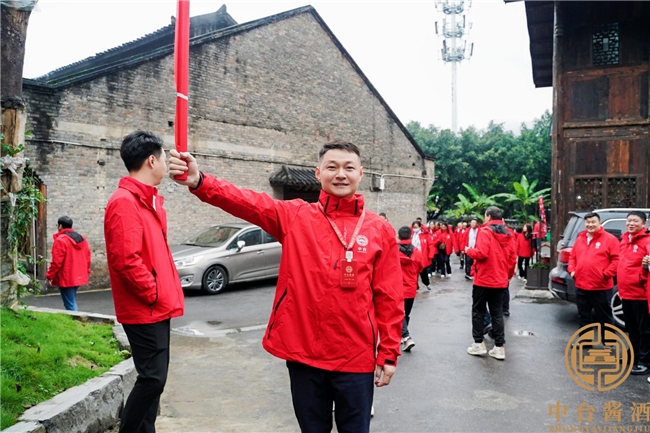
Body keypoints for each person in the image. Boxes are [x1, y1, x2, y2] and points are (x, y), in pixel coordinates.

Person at [168, 140, 403, 433]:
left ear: (361, 173)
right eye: (332, 167)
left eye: (348, 167)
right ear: (318, 174)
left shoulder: (379, 229)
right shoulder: (296, 216)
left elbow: (390, 296)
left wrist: (389, 352)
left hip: (355, 357)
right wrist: (200, 181)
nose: (340, 174)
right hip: (304, 352)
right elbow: (246, 201)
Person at [104, 131, 185, 433]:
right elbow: (126, 259)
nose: (166, 163)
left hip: (157, 306)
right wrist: (152, 293)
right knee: (152, 379)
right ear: (152, 160)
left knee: (155, 381)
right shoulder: (125, 202)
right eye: (164, 157)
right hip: (145, 308)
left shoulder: (146, 201)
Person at [465, 206, 516, 360]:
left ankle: (478, 344)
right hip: (500, 280)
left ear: (487, 216)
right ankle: (499, 347)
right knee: (497, 313)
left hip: (484, 279)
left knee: (478, 311)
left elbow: (481, 253)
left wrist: (468, 250)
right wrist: (507, 276)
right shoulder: (509, 234)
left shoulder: (485, 231)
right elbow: (512, 258)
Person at [567, 212, 619, 343]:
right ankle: (585, 340)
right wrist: (572, 271)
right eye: (588, 222)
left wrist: (606, 274)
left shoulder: (610, 239)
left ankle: (608, 342)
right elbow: (572, 257)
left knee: (604, 316)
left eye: (593, 222)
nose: (590, 225)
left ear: (599, 223)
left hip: (601, 286)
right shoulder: (580, 239)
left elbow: (616, 259)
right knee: (583, 315)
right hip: (581, 284)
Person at [617, 211, 650, 375]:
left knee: (645, 330)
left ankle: (645, 361)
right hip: (626, 293)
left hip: (642, 294)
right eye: (629, 221)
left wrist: (645, 267)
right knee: (631, 328)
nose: (630, 224)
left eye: (635, 221)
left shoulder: (647, 241)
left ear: (644, 224)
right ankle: (634, 357)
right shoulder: (624, 241)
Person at [45, 216, 91, 311]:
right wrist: (87, 271)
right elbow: (87, 257)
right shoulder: (82, 239)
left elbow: (56, 262)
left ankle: (76, 323)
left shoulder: (61, 240)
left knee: (70, 304)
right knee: (71, 300)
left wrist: (49, 275)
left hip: (67, 276)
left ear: (60, 226)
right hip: (79, 274)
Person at [397, 226, 424, 352]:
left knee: (399, 314)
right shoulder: (417, 252)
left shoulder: (393, 252)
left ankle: (406, 337)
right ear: (411, 236)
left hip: (396, 287)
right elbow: (421, 267)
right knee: (406, 313)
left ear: (398, 236)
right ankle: (403, 336)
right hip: (411, 288)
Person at [412, 220, 433, 290]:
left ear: (420, 227)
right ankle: (415, 286)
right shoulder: (411, 235)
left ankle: (427, 283)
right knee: (414, 272)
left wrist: (430, 255)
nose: (415, 229)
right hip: (413, 256)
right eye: (413, 227)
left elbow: (430, 245)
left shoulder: (425, 235)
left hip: (422, 256)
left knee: (423, 271)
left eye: (416, 227)